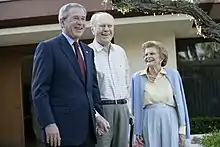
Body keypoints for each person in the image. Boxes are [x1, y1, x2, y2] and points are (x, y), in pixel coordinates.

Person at [31, 3, 110, 147]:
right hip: (61, 132)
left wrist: (97, 116)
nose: (80, 23)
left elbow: (92, 89)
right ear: (62, 21)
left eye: (83, 19)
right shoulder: (48, 48)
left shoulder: (88, 51)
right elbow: (40, 91)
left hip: (88, 132)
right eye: (75, 18)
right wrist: (49, 123)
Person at [131, 41, 190, 147]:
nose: (148, 56)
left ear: (161, 57)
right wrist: (137, 131)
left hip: (170, 118)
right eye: (146, 54)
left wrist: (182, 130)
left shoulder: (173, 75)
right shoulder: (137, 77)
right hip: (148, 119)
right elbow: (134, 107)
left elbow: (181, 103)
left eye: (152, 53)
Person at [89, 12, 132, 147]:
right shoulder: (87, 52)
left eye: (110, 26)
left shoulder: (120, 51)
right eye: (102, 26)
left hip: (122, 109)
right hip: (102, 110)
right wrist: (95, 115)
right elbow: (86, 90)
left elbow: (127, 82)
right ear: (93, 29)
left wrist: (128, 111)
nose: (106, 29)